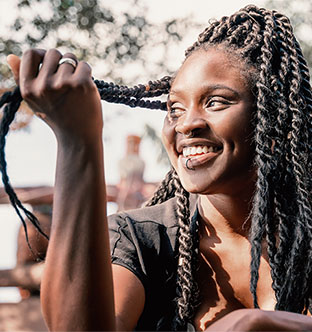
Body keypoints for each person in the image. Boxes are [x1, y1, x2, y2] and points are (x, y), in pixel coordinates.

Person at [4, 4, 312, 331]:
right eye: (175, 109)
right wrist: (77, 140)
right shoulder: (140, 239)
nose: (186, 124)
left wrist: (253, 324)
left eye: (216, 102)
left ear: (273, 119)